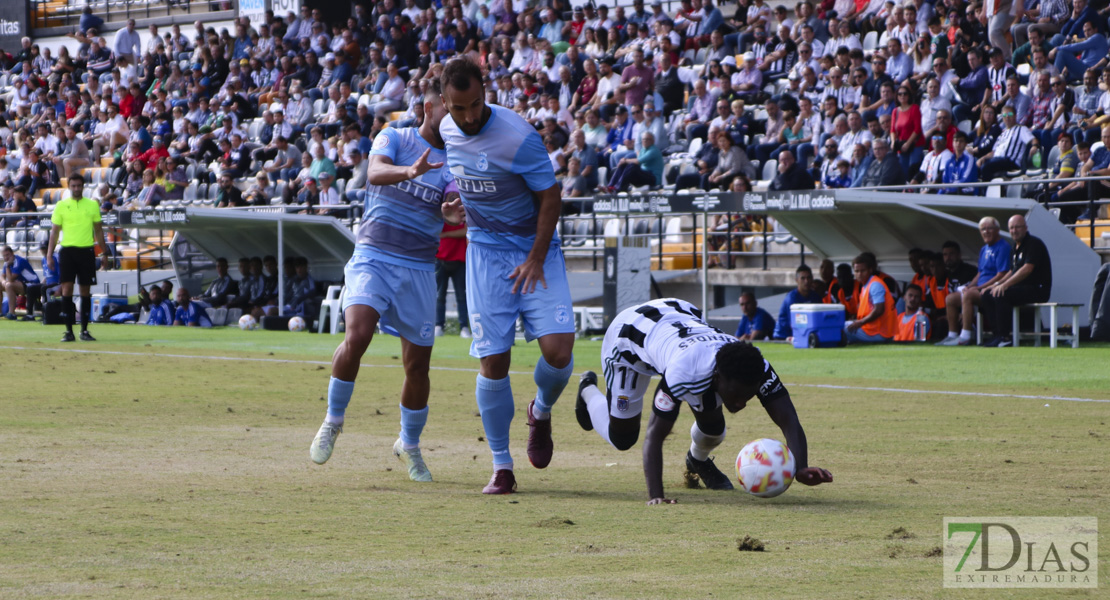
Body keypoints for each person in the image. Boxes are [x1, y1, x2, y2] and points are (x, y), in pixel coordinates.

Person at [309, 79, 461, 483]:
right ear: (430, 108)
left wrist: (450, 214)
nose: (457, 118)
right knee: (357, 335)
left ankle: (408, 445)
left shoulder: (455, 159)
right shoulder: (393, 136)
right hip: (374, 256)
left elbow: (451, 201)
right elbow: (374, 173)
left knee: (418, 366)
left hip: (417, 268)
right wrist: (410, 170)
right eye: (450, 110)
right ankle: (333, 421)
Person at [438, 59, 576, 495]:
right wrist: (452, 206)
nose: (470, 116)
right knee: (493, 360)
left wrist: (536, 257)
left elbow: (551, 197)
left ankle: (541, 408)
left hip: (535, 250)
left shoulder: (518, 136)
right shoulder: (444, 128)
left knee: (558, 350)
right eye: (459, 108)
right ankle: (501, 466)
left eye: (476, 104)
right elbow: (460, 174)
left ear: (486, 92)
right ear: (446, 103)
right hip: (484, 254)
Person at [574, 298, 833, 504]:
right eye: (737, 395)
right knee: (623, 438)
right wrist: (657, 496)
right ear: (718, 377)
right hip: (628, 341)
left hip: (680, 318)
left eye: (748, 395)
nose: (742, 404)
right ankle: (587, 390)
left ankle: (696, 460)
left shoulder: (757, 366)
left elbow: (789, 419)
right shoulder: (683, 373)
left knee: (713, 428)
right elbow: (654, 435)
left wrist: (800, 467)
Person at [47, 174, 109, 342]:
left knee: (85, 291)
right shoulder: (61, 205)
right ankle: (68, 331)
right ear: (69, 186)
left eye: (79, 186)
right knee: (66, 290)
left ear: (83, 186)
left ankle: (84, 330)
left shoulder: (92, 205)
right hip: (67, 251)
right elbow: (54, 231)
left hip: (86, 251)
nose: (76, 189)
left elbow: (98, 230)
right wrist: (49, 254)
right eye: (73, 186)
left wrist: (103, 252)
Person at [937, 218, 1012, 346]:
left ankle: (966, 335)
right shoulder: (984, 249)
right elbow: (980, 273)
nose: (986, 232)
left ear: (998, 230)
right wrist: (970, 286)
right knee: (950, 298)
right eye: (983, 229)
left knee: (968, 295)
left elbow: (1002, 274)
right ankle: (952, 335)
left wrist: (978, 288)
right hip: (980, 289)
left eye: (989, 228)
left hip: (993, 290)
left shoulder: (1003, 247)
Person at [980, 214, 1053, 347]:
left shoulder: (1034, 244)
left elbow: (1027, 269)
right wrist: (996, 285)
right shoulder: (1015, 247)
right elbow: (1011, 271)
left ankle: (1005, 337)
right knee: (987, 295)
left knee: (1002, 294)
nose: (1014, 231)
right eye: (1011, 228)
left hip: (1038, 289)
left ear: (1025, 228)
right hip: (1022, 288)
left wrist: (1005, 286)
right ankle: (997, 335)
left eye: (1017, 227)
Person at [845, 252, 897, 344]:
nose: (860, 274)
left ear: (870, 270)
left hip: (878, 332)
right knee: (845, 326)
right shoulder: (866, 285)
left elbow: (879, 310)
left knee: (840, 327)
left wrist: (860, 322)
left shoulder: (875, 284)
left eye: (863, 271)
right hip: (871, 329)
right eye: (857, 271)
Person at [435, 221, 471, 338]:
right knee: (439, 296)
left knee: (462, 296)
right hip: (440, 258)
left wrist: (446, 234)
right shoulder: (439, 210)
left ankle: (464, 327)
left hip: (460, 259)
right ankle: (438, 326)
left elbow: (466, 231)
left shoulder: (463, 210)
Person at [773, 265, 823, 339]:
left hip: (804, 335)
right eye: (803, 278)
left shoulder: (815, 296)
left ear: (812, 279)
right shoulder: (791, 298)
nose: (806, 281)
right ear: (797, 280)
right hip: (783, 336)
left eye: (809, 278)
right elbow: (794, 324)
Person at [2, 246, 41, 321]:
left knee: (9, 285)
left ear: (12, 254)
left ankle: (12, 313)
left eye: (8, 255)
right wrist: (3, 281)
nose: (6, 257)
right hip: (22, 284)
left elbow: (10, 279)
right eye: (4, 256)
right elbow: (2, 276)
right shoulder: (7, 262)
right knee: (3, 285)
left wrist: (7, 267)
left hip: (33, 285)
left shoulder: (19, 261)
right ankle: (1, 312)